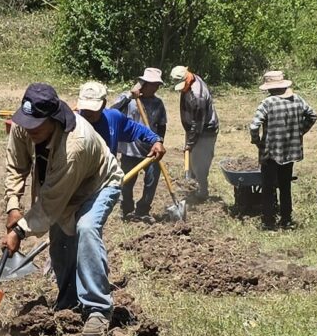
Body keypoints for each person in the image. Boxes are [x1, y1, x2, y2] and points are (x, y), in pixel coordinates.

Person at [4, 83, 123, 336]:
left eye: (37, 124)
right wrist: (13, 205)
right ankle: (69, 300)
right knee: (60, 244)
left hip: (97, 184)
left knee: (85, 228)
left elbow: (48, 206)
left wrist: (20, 231)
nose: (29, 128)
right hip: (60, 189)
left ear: (54, 118)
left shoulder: (74, 145)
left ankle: (98, 309)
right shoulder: (25, 127)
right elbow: (16, 165)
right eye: (26, 122)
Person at [248, 71, 317, 231]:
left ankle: (268, 222)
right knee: (285, 186)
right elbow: (312, 115)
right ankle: (286, 220)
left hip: (271, 152)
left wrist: (256, 141)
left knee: (268, 187)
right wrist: (300, 132)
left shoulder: (268, 103)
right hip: (290, 151)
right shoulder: (297, 100)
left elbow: (254, 126)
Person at [109, 68, 167, 222]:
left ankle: (143, 210)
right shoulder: (129, 100)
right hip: (131, 149)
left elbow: (162, 125)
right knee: (126, 182)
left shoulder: (158, 103)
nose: (155, 88)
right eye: (152, 84)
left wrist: (159, 141)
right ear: (143, 84)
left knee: (152, 181)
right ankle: (127, 210)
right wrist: (129, 96)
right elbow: (111, 112)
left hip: (151, 150)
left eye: (157, 85)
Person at [74, 80, 166, 165]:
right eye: (85, 108)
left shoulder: (113, 118)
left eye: (93, 108)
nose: (88, 112)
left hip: (106, 176)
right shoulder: (72, 122)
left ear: (103, 104)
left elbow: (137, 129)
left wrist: (156, 140)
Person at [169, 65, 219, 202]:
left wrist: (190, 143)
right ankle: (191, 188)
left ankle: (202, 193)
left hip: (204, 131)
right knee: (191, 161)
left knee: (200, 163)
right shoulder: (191, 80)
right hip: (194, 129)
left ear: (187, 78)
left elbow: (198, 124)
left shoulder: (198, 96)